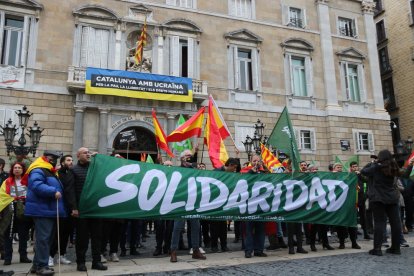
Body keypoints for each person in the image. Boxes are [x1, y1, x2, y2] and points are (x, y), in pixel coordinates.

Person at [25, 151, 66, 276]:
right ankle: (42, 266)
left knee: (46, 239)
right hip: (43, 210)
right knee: (43, 239)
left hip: (48, 210)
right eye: (53, 158)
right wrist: (53, 191)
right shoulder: (39, 169)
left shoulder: (49, 170)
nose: (54, 161)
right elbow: (36, 185)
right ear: (46, 158)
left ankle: (37, 265)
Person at [361, 149, 402, 256]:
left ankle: (377, 249)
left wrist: (373, 163)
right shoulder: (393, 166)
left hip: (378, 198)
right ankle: (396, 248)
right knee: (396, 223)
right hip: (392, 198)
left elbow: (363, 171)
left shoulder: (376, 167)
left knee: (379, 223)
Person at [71, 147, 107, 271]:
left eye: (88, 153)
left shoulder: (95, 168)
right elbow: (71, 191)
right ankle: (80, 262)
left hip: (96, 209)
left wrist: (98, 159)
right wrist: (74, 208)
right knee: (82, 238)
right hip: (82, 210)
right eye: (85, 153)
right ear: (78, 155)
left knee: (97, 237)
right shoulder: (73, 170)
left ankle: (96, 262)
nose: (87, 154)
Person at [170, 150, 206, 263]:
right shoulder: (177, 170)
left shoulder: (195, 170)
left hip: (193, 202)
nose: (189, 158)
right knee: (177, 227)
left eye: (191, 156)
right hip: (180, 203)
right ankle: (173, 251)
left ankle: (195, 250)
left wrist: (200, 171)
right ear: (182, 158)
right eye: (187, 156)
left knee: (196, 226)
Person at [1, 162, 32, 266]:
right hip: (9, 211)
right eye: (15, 168)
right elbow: (2, 195)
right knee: (8, 235)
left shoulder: (27, 182)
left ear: (23, 170)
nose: (17, 169)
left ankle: (23, 256)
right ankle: (7, 257)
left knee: (23, 234)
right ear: (12, 170)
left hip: (23, 211)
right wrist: (12, 198)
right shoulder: (7, 181)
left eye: (19, 168)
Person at [49, 155, 76, 266]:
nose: (71, 162)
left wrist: (74, 207)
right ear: (62, 162)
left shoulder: (72, 173)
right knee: (56, 234)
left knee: (65, 234)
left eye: (72, 160)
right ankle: (50, 256)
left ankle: (62, 255)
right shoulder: (57, 174)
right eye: (68, 160)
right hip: (59, 206)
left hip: (69, 207)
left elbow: (72, 191)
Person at [211, 157, 240, 252]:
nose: (235, 170)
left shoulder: (231, 174)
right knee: (214, 226)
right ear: (230, 165)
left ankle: (224, 245)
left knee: (223, 227)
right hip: (215, 203)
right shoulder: (216, 172)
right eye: (234, 167)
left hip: (225, 203)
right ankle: (214, 246)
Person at [243, 154, 267, 258]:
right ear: (250, 161)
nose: (256, 163)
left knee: (260, 230)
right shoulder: (245, 171)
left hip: (261, 205)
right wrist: (251, 172)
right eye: (254, 161)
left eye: (258, 161)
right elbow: (242, 181)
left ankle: (259, 250)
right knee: (249, 230)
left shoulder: (263, 173)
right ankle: (248, 251)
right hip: (249, 206)